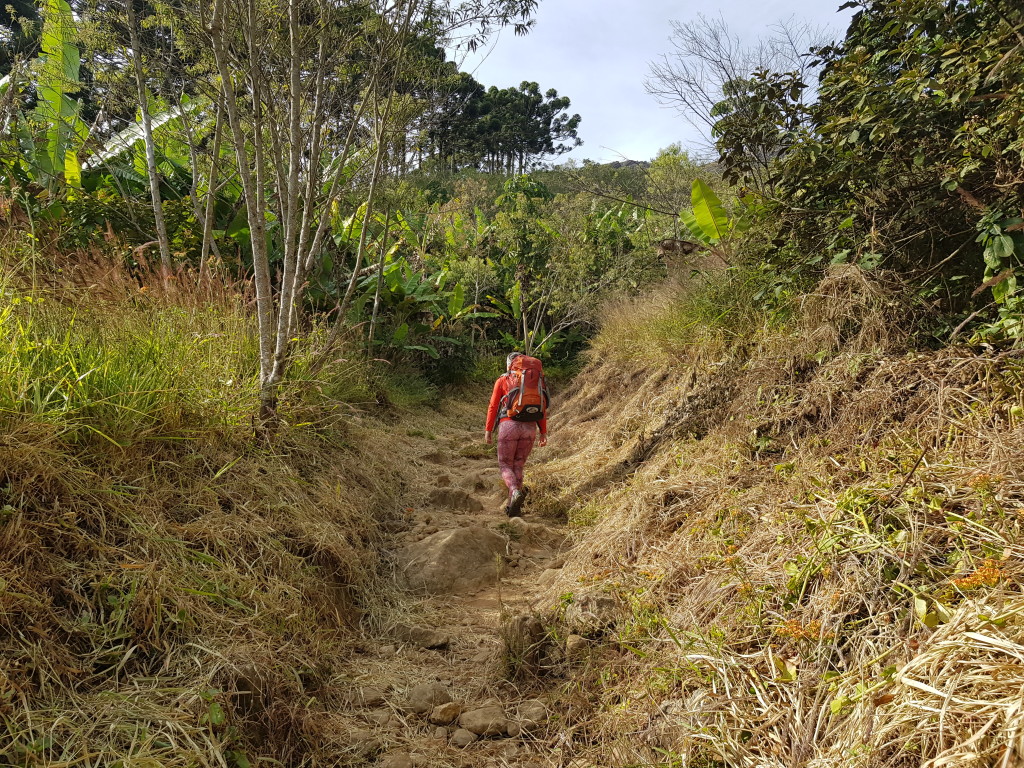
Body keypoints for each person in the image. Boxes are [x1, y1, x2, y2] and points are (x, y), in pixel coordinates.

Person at [484, 352, 548, 516]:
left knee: (505, 464)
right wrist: (543, 432)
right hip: (530, 428)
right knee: (518, 464)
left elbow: (493, 406)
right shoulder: (536, 382)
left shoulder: (504, 380)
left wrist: (488, 430)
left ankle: (514, 491)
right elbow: (541, 407)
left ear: (509, 365)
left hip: (508, 425)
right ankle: (514, 506)